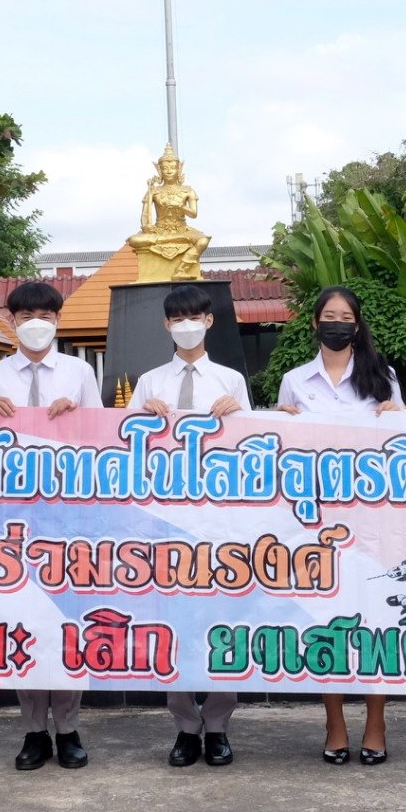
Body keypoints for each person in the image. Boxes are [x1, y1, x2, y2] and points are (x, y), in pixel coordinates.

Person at [0, 278, 102, 771]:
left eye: (44, 316)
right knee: (23, 620)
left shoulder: (80, 372)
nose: (35, 325)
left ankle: (68, 728)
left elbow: (102, 439)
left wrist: (78, 414)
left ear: (57, 320)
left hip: (68, 515)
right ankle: (32, 730)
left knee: (65, 623)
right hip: (12, 519)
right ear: (12, 322)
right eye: (25, 318)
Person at [275, 286, 404, 766]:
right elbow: (281, 446)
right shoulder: (295, 380)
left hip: (372, 520)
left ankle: (376, 721)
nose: (336, 323)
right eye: (328, 315)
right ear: (315, 324)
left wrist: (401, 415)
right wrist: (278, 421)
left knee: (373, 618)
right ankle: (334, 723)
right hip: (314, 521)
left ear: (356, 324)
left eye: (344, 316)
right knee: (324, 620)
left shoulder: (381, 376)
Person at [129, 285, 251, 769]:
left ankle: (218, 725)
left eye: (195, 316)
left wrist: (238, 416)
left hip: (219, 524)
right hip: (163, 523)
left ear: (209, 321)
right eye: (178, 318)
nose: (187, 324)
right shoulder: (148, 381)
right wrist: (142, 415)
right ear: (166, 325)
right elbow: (118, 446)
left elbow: (252, 444)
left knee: (221, 624)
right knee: (174, 626)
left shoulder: (231, 381)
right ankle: (184, 726)